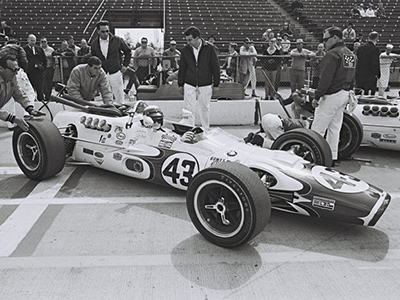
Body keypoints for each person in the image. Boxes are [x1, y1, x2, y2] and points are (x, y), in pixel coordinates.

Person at [311, 26, 356, 166]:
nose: (324, 43)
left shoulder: (332, 54)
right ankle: (332, 157)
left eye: (325, 39)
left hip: (332, 94)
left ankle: (313, 157)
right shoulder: (351, 55)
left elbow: (325, 79)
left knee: (318, 128)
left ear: (335, 38)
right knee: (335, 127)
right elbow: (354, 76)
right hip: (345, 93)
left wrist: (317, 96)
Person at [178, 26, 220, 130]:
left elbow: (215, 66)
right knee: (188, 108)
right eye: (187, 40)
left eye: (190, 39)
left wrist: (216, 84)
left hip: (205, 83)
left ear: (197, 38)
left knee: (204, 108)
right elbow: (182, 67)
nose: (188, 42)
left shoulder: (210, 48)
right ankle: (189, 129)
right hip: (189, 82)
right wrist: (180, 84)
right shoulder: (185, 50)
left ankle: (205, 129)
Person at [91, 20, 132, 105]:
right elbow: (94, 59)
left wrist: (125, 65)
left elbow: (128, 51)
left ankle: (121, 113)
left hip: (116, 72)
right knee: (106, 97)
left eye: (107, 31)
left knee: (119, 97)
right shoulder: (94, 44)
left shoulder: (117, 40)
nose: (105, 33)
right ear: (98, 31)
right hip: (103, 73)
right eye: (103, 31)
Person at [0, 54, 44, 131]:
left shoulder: (11, 78)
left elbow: (18, 94)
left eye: (17, 69)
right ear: (1, 68)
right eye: (13, 70)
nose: (16, 73)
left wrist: (30, 108)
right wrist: (13, 119)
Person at [355, 31, 380, 95]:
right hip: (370, 75)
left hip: (360, 73)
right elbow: (375, 63)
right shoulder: (375, 49)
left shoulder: (360, 48)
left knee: (360, 92)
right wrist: (377, 73)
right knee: (370, 94)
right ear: (376, 39)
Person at [23, 34, 47, 102]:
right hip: (29, 72)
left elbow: (44, 60)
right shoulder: (24, 49)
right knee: (29, 89)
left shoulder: (39, 49)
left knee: (40, 88)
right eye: (31, 40)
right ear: (28, 40)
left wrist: (43, 68)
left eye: (34, 41)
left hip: (38, 72)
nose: (33, 42)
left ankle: (41, 101)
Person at [40, 37, 55, 101]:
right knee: (43, 82)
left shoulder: (51, 49)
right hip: (41, 68)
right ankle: (44, 95)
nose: (43, 43)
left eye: (44, 41)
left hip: (49, 67)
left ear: (47, 42)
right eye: (42, 42)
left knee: (49, 82)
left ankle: (48, 96)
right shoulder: (39, 49)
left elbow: (54, 58)